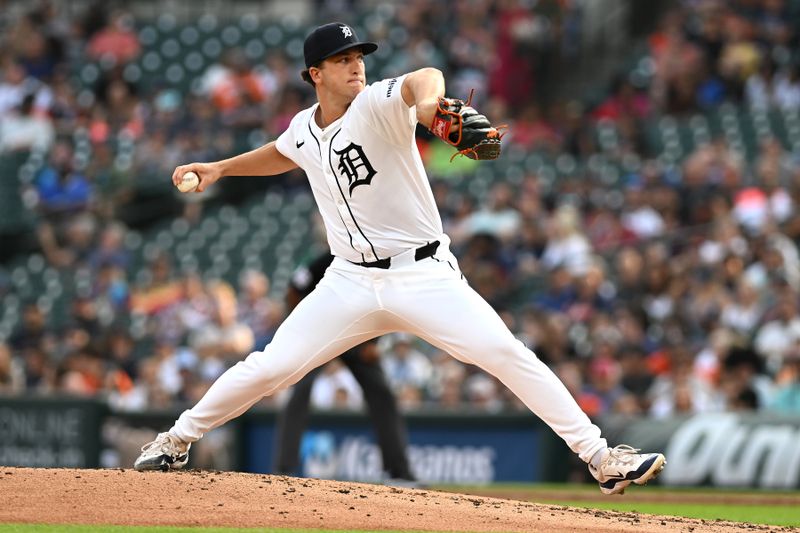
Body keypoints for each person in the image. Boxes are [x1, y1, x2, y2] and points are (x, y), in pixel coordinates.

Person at [134, 22, 666, 495]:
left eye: (359, 57)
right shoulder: (303, 127)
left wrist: (433, 107)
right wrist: (221, 168)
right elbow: (282, 152)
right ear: (314, 73)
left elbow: (423, 77)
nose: (356, 67)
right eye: (343, 60)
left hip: (423, 272)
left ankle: (601, 457)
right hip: (348, 283)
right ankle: (176, 440)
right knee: (271, 366)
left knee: (503, 351)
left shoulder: (378, 103)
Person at [272, 253, 416, 483]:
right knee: (300, 390)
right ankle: (284, 469)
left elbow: (385, 306)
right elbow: (293, 290)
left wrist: (375, 342)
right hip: (320, 333)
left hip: (357, 336)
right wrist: (300, 327)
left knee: (383, 394)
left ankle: (400, 471)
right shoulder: (328, 259)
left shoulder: (376, 263)